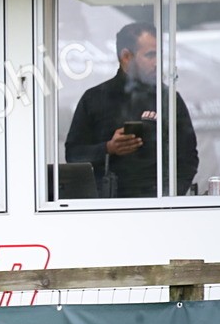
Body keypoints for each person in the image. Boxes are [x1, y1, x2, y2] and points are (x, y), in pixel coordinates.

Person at [65, 22, 198, 198]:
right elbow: (73, 155)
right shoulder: (95, 99)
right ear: (126, 56)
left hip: (158, 205)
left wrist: (170, 196)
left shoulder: (168, 99)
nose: (157, 63)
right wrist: (108, 148)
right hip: (108, 207)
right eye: (150, 55)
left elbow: (188, 157)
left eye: (160, 55)